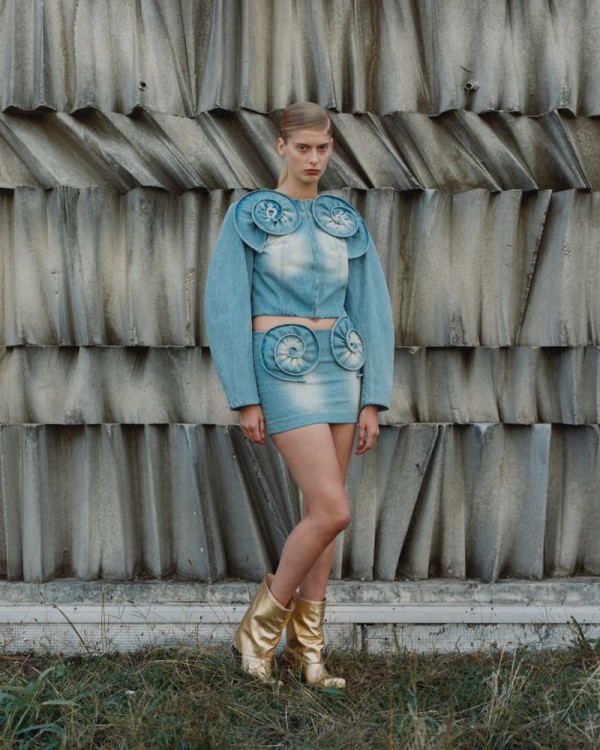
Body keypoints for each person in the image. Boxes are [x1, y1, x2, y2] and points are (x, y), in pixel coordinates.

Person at [204, 102, 394, 687]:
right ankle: (258, 631)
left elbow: (372, 307)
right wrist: (244, 396)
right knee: (335, 510)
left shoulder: (345, 219)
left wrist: (373, 397)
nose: (314, 159)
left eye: (323, 148)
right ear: (281, 147)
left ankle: (307, 653)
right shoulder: (249, 215)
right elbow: (226, 306)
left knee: (322, 517)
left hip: (342, 369)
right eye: (303, 148)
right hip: (280, 371)